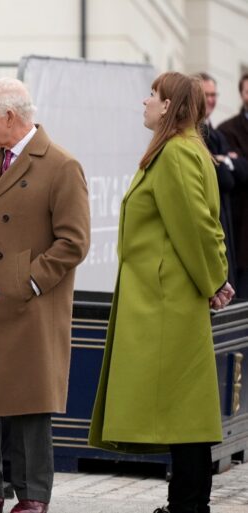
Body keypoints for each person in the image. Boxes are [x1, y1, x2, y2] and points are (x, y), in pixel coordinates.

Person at [89, 71, 234, 513]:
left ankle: (189, 506)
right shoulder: (181, 150)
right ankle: (185, 504)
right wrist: (211, 280)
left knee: (184, 414)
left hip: (166, 300)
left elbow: (197, 225)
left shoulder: (175, 153)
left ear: (169, 105)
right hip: (165, 296)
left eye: (153, 95)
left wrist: (215, 281)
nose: (145, 101)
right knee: (180, 411)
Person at [0, 77, 90, 513]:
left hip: (27, 306)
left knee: (28, 407)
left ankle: (31, 496)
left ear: (10, 116)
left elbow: (74, 241)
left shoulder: (61, 165)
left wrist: (29, 281)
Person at [197, 73, 248, 290]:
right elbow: (228, 179)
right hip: (228, 227)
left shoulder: (217, 133)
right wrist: (229, 163)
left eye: (213, 94)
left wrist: (227, 162)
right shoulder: (209, 133)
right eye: (205, 94)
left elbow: (239, 173)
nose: (210, 100)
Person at [219, 73, 248, 296]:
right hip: (241, 233)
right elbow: (230, 176)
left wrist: (237, 162)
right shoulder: (227, 130)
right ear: (241, 94)